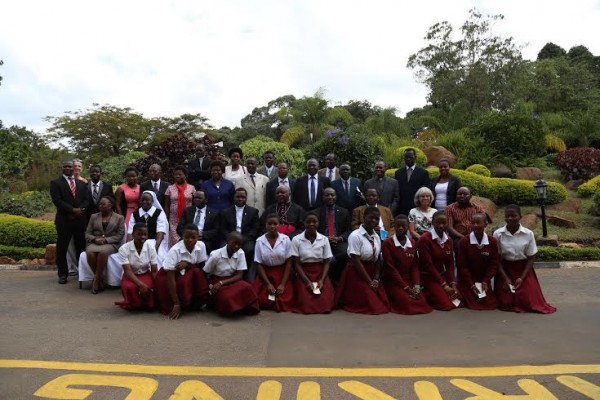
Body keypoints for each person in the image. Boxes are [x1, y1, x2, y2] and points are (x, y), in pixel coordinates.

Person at [493, 205, 556, 314]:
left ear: (520, 217)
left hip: (523, 269)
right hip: (505, 269)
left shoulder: (528, 234)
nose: (510, 218)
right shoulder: (498, 234)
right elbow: (496, 258)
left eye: (514, 215)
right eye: (507, 216)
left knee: (528, 301)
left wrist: (522, 278)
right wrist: (505, 278)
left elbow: (531, 258)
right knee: (505, 302)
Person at [336, 206, 389, 314]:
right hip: (357, 272)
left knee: (384, 301)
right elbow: (355, 261)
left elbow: (378, 257)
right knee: (373, 306)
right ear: (364, 217)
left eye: (376, 219)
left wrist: (376, 278)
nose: (373, 221)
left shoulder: (377, 236)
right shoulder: (355, 236)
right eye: (371, 218)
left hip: (372, 271)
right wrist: (369, 282)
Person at [156, 224, 210, 319]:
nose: (190, 240)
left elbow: (202, 268)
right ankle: (180, 302)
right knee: (168, 305)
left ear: (198, 237)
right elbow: (170, 279)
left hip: (187, 273)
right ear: (182, 237)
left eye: (193, 237)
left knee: (197, 273)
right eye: (187, 237)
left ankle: (196, 302)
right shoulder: (175, 250)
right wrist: (176, 304)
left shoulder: (201, 246)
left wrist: (187, 264)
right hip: (169, 276)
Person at [50, 160, 91, 284]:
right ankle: (63, 274)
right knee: (62, 248)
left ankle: (82, 273)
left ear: (74, 168)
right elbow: (57, 200)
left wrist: (80, 210)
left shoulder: (82, 184)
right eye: (65, 166)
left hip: (80, 220)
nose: (68, 168)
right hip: (64, 220)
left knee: (81, 247)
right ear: (62, 168)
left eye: (70, 166)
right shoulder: (55, 183)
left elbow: (87, 200)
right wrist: (72, 210)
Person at [382, 215, 432, 315]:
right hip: (394, 281)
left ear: (407, 227)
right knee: (407, 303)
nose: (400, 228)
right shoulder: (388, 243)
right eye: (398, 226)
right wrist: (407, 288)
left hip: (408, 280)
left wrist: (417, 286)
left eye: (403, 226)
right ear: (394, 227)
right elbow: (391, 269)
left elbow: (415, 267)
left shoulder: (413, 243)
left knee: (421, 301)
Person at [203, 232, 260, 316]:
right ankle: (232, 308)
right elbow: (206, 272)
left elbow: (239, 275)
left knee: (248, 287)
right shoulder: (215, 255)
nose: (236, 246)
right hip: (217, 279)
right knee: (227, 297)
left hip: (232, 279)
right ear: (227, 241)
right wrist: (211, 287)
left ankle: (240, 307)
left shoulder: (240, 253)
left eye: (239, 244)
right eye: (234, 243)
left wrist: (222, 283)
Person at [289, 212, 336, 314]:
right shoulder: (296, 239)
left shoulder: (324, 239)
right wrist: (307, 281)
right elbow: (296, 263)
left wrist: (322, 280)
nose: (311, 224)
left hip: (320, 271)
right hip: (303, 272)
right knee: (304, 301)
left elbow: (327, 262)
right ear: (304, 223)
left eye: (314, 221)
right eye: (308, 222)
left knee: (326, 301)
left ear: (318, 223)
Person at [418, 211, 461, 311]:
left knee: (458, 299)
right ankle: (425, 293)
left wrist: (452, 284)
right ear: (432, 223)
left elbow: (450, 264)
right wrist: (444, 285)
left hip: (442, 275)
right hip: (428, 276)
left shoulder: (448, 240)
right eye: (438, 223)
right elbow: (428, 265)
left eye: (444, 223)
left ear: (448, 224)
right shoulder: (425, 239)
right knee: (446, 305)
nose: (441, 226)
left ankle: (441, 292)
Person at [253, 214, 295, 312]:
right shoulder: (259, 241)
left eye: (275, 224)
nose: (272, 226)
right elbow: (259, 264)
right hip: (266, 274)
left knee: (286, 299)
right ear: (265, 225)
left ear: (279, 225)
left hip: (282, 273)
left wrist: (283, 284)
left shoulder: (285, 239)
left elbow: (289, 262)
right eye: (270, 224)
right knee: (262, 300)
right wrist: (267, 283)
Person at [458, 213, 499, 310]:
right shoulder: (464, 241)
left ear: (485, 224)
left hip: (484, 280)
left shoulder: (492, 241)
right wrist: (471, 284)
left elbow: (494, 263)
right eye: (473, 223)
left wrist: (486, 281)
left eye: (478, 223)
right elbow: (462, 266)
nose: (475, 225)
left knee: (490, 303)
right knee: (473, 303)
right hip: (468, 280)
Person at [85, 196, 125, 294]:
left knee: (103, 252)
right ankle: (100, 280)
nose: (100, 206)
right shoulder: (94, 216)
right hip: (95, 242)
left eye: (103, 204)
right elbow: (87, 233)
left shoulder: (119, 217)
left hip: (111, 243)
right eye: (99, 204)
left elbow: (120, 235)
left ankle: (96, 281)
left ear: (110, 205)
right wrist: (94, 239)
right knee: (89, 253)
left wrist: (106, 240)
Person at [114, 223, 158, 311]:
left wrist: (157, 284)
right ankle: (135, 305)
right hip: (130, 275)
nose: (142, 237)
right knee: (130, 287)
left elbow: (154, 270)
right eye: (139, 234)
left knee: (150, 287)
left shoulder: (151, 247)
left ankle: (147, 304)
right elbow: (128, 271)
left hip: (145, 274)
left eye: (145, 234)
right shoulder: (124, 249)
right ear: (133, 235)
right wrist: (141, 285)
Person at [220, 188, 260, 281]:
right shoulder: (226, 211)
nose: (240, 199)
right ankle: (227, 273)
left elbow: (255, 228)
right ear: (234, 197)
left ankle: (245, 275)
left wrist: (244, 239)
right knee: (222, 248)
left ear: (246, 198)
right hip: (229, 239)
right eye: (238, 196)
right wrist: (229, 238)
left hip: (246, 239)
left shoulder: (253, 211)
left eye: (243, 197)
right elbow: (223, 228)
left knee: (250, 249)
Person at [315, 188, 352, 284]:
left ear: (336, 197)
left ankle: (339, 280)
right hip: (322, 241)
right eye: (327, 195)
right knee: (328, 259)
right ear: (323, 197)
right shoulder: (316, 212)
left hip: (339, 241)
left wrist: (339, 238)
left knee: (346, 253)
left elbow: (349, 230)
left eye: (332, 195)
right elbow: (313, 230)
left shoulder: (344, 212)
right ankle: (327, 281)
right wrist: (325, 238)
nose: (330, 197)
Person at [127, 191, 168, 266]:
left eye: (147, 200)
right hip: (137, 241)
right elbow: (130, 232)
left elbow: (160, 232)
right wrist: (129, 246)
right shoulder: (135, 213)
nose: (144, 202)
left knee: (157, 258)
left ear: (152, 201)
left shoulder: (159, 213)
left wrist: (156, 247)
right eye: (142, 200)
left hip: (154, 241)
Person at [177, 190, 221, 254]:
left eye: (199, 198)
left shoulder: (214, 213)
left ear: (206, 200)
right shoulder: (187, 211)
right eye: (195, 198)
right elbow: (179, 228)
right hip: (187, 239)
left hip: (204, 240)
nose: (196, 199)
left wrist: (202, 234)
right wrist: (189, 235)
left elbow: (216, 230)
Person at [445, 187, 486, 252]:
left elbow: (483, 223)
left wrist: (474, 236)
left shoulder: (477, 208)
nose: (462, 196)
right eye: (459, 194)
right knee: (460, 247)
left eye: (465, 194)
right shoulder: (449, 208)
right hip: (458, 237)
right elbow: (449, 227)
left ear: (470, 196)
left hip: (476, 235)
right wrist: (463, 237)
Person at [164, 165, 196, 247]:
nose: (177, 176)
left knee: (188, 240)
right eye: (176, 174)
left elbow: (195, 203)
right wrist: (166, 218)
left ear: (185, 175)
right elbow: (167, 205)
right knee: (175, 243)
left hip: (188, 219)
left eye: (180, 174)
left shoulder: (191, 188)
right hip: (174, 220)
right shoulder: (170, 188)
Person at [394, 148, 430, 216]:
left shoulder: (423, 173)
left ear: (415, 157)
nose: (408, 159)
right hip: (402, 209)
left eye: (410, 157)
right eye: (406, 157)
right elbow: (396, 191)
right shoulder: (398, 173)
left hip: (417, 207)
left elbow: (425, 191)